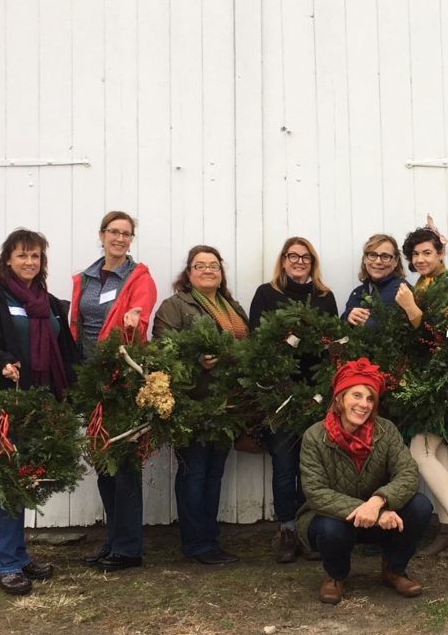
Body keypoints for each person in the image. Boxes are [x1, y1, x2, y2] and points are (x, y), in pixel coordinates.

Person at [0, 229, 79, 594]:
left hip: (40, 405)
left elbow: (67, 354)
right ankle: (6, 562)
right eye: (22, 255)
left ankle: (18, 554)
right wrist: (1, 362)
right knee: (8, 482)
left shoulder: (51, 303)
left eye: (36, 256)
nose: (29, 262)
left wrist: (78, 392)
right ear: (7, 259)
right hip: (2, 404)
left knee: (26, 478)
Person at [297, 357, 432, 604]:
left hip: (379, 515)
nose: (364, 404)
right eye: (356, 396)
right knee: (330, 529)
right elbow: (315, 492)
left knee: (421, 506)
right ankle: (335, 576)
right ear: (339, 399)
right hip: (336, 519)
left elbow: (408, 473)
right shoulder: (315, 437)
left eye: (370, 398)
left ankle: (394, 569)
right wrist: (369, 511)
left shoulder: (386, 430)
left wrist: (378, 502)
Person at [71, 210, 157, 572]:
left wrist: (135, 317)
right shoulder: (86, 279)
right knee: (103, 464)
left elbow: (142, 305)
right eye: (114, 232)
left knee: (124, 465)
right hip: (91, 383)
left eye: (126, 234)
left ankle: (128, 548)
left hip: (120, 382)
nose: (120, 239)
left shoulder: (139, 277)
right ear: (101, 234)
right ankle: (112, 541)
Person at [153, 246, 249, 564]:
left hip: (226, 404)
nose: (208, 270)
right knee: (194, 471)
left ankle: (210, 539)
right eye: (200, 265)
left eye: (214, 266)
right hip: (193, 404)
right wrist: (198, 362)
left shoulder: (232, 306)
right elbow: (163, 351)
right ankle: (197, 543)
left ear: (221, 273)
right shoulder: (175, 306)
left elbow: (249, 346)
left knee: (214, 472)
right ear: (189, 273)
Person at [394, 226, 448, 559]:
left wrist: (411, 309)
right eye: (415, 254)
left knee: (421, 453)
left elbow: (446, 336)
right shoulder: (420, 284)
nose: (420, 259)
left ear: (440, 253)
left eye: (427, 252)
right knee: (438, 454)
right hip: (423, 380)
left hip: (442, 381)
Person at [249, 237, 338, 563]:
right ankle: (286, 531)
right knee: (285, 465)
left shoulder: (325, 298)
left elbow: (333, 344)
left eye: (305, 257)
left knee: (313, 466)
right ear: (283, 260)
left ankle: (309, 530)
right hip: (281, 395)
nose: (299, 262)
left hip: (315, 394)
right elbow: (258, 342)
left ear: (312, 263)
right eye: (293, 256)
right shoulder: (267, 295)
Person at [342, 233, 410, 327]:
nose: (378, 261)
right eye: (372, 255)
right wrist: (348, 316)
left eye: (385, 256)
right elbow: (340, 330)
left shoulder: (403, 292)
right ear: (365, 259)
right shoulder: (357, 293)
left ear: (395, 261)